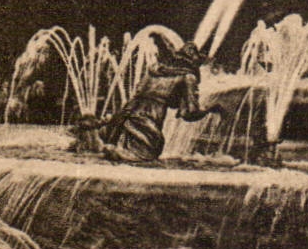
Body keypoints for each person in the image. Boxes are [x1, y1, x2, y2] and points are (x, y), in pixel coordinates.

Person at [75, 40, 221, 162]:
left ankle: (94, 136)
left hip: (124, 114)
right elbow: (190, 113)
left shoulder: (154, 70)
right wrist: (212, 108)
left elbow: (141, 91)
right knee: (146, 154)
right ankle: (112, 150)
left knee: (109, 146)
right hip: (147, 121)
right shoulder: (188, 77)